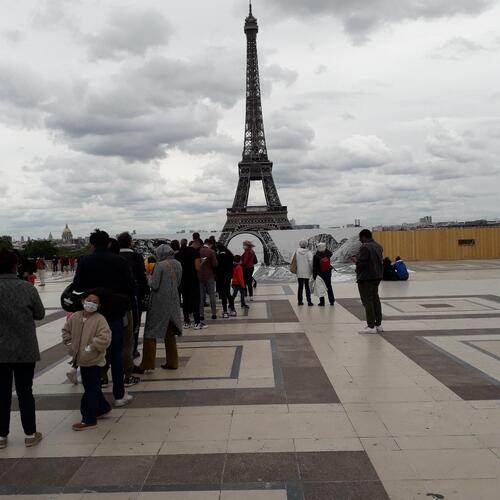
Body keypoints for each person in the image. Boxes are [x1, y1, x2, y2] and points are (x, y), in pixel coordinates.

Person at [73, 229, 135, 407]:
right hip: (114, 311)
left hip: (92, 312)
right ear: (108, 243)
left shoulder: (85, 261)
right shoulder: (119, 261)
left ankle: (96, 395)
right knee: (116, 353)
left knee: (93, 353)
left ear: (92, 244)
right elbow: (130, 287)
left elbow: (77, 285)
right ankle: (119, 395)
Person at [0, 249, 45, 449]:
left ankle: (1, 436)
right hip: (24, 348)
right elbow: (40, 314)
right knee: (25, 391)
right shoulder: (27, 288)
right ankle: (29, 433)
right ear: (15, 265)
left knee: (1, 393)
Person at [61, 291, 112, 431]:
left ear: (99, 305)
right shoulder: (76, 317)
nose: (91, 304)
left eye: (95, 302)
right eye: (89, 300)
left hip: (94, 360)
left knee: (91, 389)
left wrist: (92, 346)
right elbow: (66, 331)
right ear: (83, 300)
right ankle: (103, 407)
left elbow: (105, 337)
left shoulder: (100, 319)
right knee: (92, 387)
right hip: (81, 360)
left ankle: (89, 418)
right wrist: (70, 344)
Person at [135, 245, 182, 372]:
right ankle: (173, 362)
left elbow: (154, 285)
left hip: (159, 302)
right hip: (173, 300)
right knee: (169, 332)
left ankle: (147, 363)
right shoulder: (178, 264)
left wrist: (148, 277)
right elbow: (177, 282)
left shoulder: (160, 265)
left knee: (150, 332)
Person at [118, 232, 149, 364]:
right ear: (130, 242)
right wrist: (145, 293)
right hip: (133, 296)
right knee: (134, 324)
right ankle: (133, 349)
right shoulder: (136, 256)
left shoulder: (116, 256)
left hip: (116, 296)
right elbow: (142, 278)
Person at [353, 229, 384, 334]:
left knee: (368, 301)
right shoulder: (378, 246)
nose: (360, 240)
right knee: (375, 299)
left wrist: (355, 261)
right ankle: (378, 324)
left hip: (366, 278)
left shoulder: (365, 247)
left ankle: (371, 326)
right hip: (377, 276)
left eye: (360, 238)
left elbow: (361, 264)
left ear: (364, 237)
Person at [176, 239, 204, 329]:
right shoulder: (195, 253)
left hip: (183, 279)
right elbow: (197, 267)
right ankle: (196, 322)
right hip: (193, 279)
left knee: (185, 301)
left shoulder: (180, 252)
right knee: (195, 300)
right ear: (198, 244)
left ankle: (186, 322)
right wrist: (201, 262)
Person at [199, 239, 218, 321]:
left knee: (200, 296)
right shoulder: (211, 252)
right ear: (210, 244)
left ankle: (201, 315)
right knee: (212, 295)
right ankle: (213, 314)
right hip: (209, 275)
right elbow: (215, 264)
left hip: (199, 275)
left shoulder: (198, 251)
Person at [215, 243, 236, 318]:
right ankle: (233, 310)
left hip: (221, 277)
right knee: (228, 293)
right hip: (228, 277)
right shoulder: (229, 255)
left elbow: (216, 267)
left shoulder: (218, 256)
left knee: (223, 294)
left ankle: (225, 311)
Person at [294, 240, 313, 306]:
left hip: (299, 272)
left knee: (300, 287)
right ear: (306, 245)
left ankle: (300, 301)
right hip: (307, 272)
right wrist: (312, 270)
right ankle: (309, 301)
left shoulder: (296, 252)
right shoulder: (309, 252)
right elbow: (311, 262)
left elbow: (293, 261)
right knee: (307, 287)